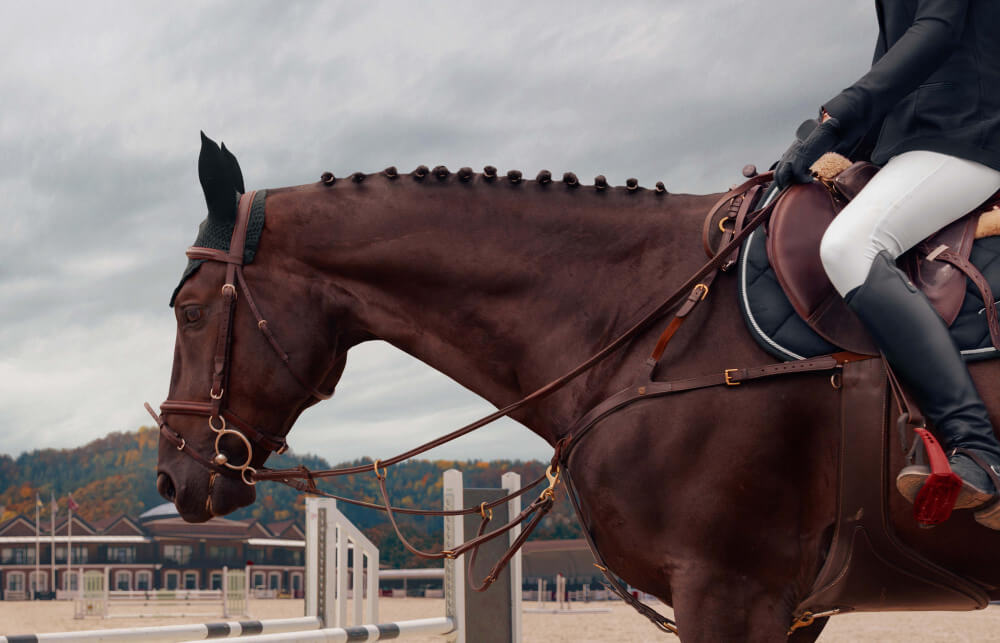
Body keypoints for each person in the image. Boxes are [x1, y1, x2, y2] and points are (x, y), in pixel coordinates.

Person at [774, 0, 1000, 527]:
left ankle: (978, 446)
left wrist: (839, 115)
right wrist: (828, 140)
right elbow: (896, 64)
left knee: (850, 246)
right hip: (915, 145)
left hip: (967, 137)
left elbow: (937, 33)